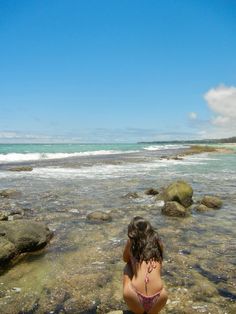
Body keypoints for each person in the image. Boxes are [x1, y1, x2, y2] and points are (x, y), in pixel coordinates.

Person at [123, 216, 168, 314]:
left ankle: (139, 307)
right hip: (161, 296)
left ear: (132, 231)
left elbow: (125, 259)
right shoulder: (158, 242)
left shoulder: (132, 242)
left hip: (133, 295)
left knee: (127, 266)